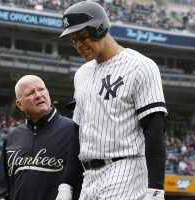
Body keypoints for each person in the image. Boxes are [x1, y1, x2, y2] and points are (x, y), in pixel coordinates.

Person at [56, 1, 168, 200]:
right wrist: (66, 185)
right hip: (88, 177)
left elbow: (154, 130)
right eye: (73, 40)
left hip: (126, 171)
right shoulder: (81, 74)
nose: (78, 45)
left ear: (100, 28)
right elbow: (77, 136)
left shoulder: (140, 66)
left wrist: (156, 188)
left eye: (82, 37)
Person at [0, 75, 75, 200]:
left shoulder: (73, 130)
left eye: (41, 89)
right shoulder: (12, 137)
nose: (38, 95)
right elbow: (0, 192)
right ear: (20, 104)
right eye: (30, 93)